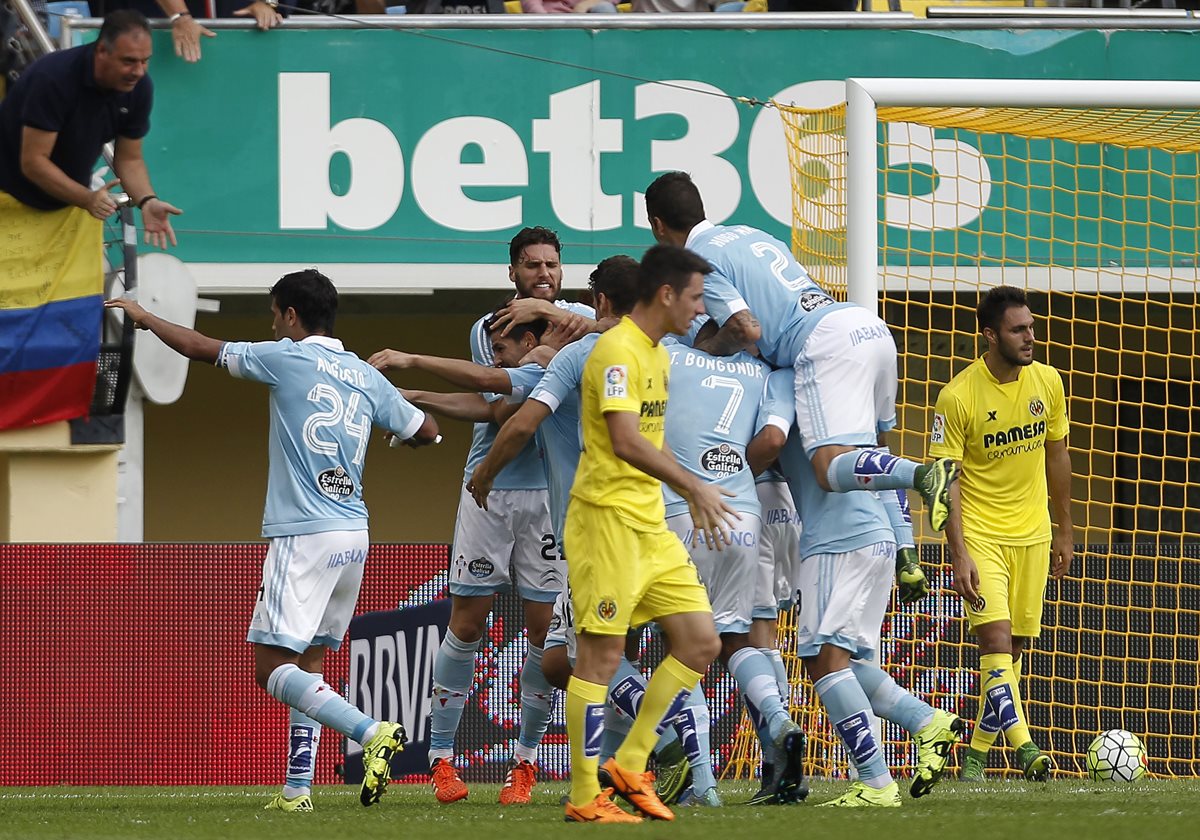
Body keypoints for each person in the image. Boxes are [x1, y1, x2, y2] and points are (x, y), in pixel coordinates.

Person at [104, 269, 439, 811]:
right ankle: (297, 790)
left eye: (274, 314)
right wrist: (387, 434)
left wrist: (142, 317)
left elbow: (201, 347)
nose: (273, 324)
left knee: (269, 667)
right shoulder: (362, 374)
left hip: (306, 533)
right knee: (307, 661)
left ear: (289, 315)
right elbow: (426, 431)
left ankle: (370, 731)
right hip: (355, 533)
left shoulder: (286, 356)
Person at [373, 227, 593, 807]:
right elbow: (498, 403)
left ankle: (525, 762)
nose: (542, 273)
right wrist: (424, 397)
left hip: (550, 496)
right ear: (511, 273)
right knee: (467, 623)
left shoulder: (575, 318)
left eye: (551, 264)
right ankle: (440, 759)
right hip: (488, 490)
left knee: (548, 636)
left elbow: (614, 333)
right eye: (531, 265)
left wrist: (422, 386)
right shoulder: (487, 328)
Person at [643, 172, 956, 534]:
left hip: (823, 344)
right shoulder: (752, 234)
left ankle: (923, 474)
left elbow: (746, 328)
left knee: (828, 467)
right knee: (875, 448)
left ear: (657, 225)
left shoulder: (697, 259)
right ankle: (906, 552)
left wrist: (705, 351)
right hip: (864, 326)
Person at [561, 244, 737, 824]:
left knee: (700, 643)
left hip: (650, 524)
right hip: (605, 522)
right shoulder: (616, 351)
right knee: (601, 657)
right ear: (666, 294)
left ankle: (631, 763)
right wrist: (693, 488)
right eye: (694, 298)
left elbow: (653, 441)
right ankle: (585, 797)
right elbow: (625, 440)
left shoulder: (661, 355)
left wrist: (689, 493)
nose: (700, 310)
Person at [929, 285, 1072, 783]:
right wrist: (959, 552)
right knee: (994, 641)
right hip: (983, 536)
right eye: (1019, 329)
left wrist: (1065, 528)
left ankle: (975, 754)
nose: (1030, 337)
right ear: (990, 335)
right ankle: (1027, 747)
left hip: (1033, 535)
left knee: (1011, 656)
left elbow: (1057, 454)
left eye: (1031, 327)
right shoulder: (957, 397)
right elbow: (944, 481)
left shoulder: (1048, 383)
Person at [778, 429, 965, 808]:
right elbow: (880, 468)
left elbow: (766, 444)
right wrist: (905, 550)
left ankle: (875, 781)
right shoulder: (849, 403)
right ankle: (927, 722)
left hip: (840, 541)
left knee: (826, 661)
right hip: (872, 539)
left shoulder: (796, 386)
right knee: (839, 662)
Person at [661, 341, 807, 807]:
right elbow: (776, 436)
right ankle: (777, 725)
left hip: (697, 505)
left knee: (686, 649)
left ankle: (704, 781)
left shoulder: (669, 351)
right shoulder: (774, 370)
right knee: (748, 640)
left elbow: (768, 445)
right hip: (761, 514)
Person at [0, 9, 180, 249]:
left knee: (83, 288)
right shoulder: (53, 78)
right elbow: (34, 163)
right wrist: (86, 198)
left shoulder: (139, 87)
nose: (138, 71)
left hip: (66, 210)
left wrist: (147, 201)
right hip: (8, 202)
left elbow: (129, 160)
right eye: (128, 61)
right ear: (102, 51)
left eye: (145, 61)